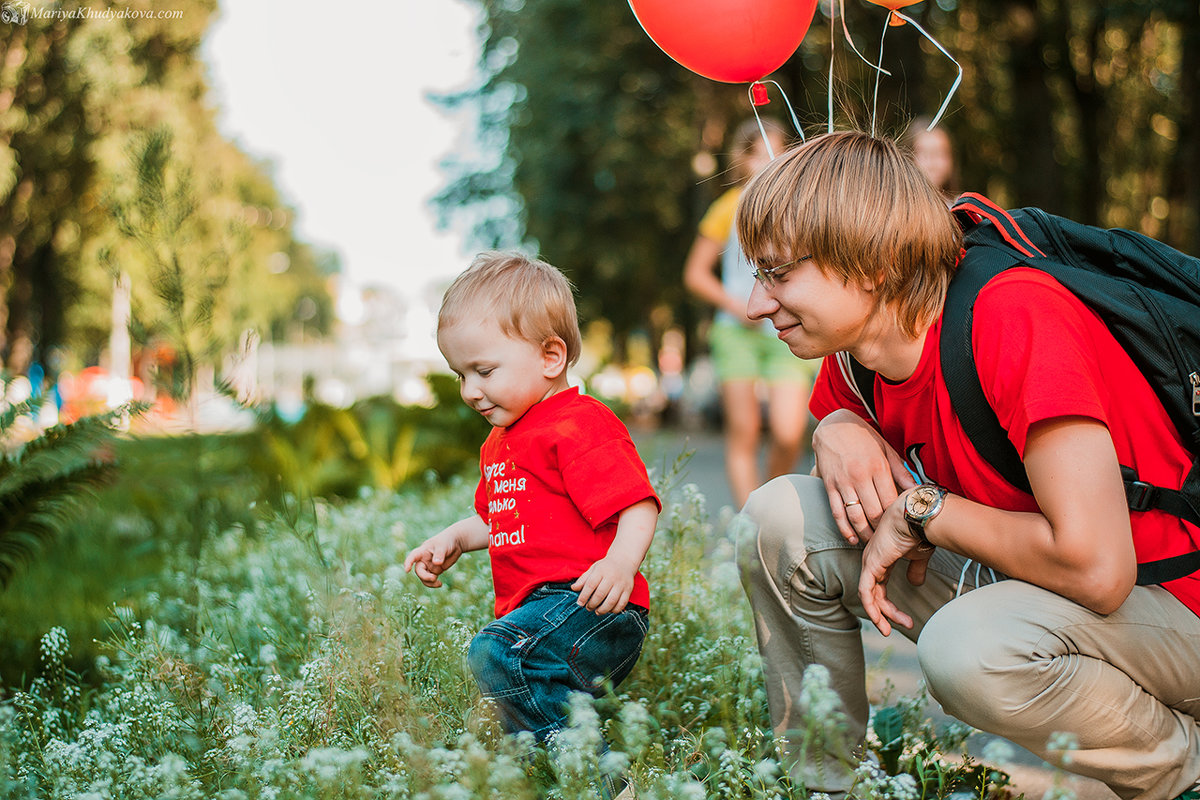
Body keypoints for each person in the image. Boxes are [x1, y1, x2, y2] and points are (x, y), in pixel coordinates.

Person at [732, 131, 1200, 799]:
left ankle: (1186, 773)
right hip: (1052, 593)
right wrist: (835, 426)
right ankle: (829, 785)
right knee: (777, 520)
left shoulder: (1013, 315)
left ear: (871, 263)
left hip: (1177, 603)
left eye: (778, 273)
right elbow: (835, 419)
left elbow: (1098, 570)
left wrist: (926, 513)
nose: (755, 304)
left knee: (968, 650)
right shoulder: (858, 354)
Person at [404, 252, 660, 793]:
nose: (470, 390)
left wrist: (619, 563)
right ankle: (569, 779)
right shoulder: (500, 441)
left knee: (497, 654)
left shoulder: (577, 423)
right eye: (460, 374)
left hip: (592, 603)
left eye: (484, 371)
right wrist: (454, 537)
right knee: (518, 706)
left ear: (550, 356)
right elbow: (498, 518)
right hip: (546, 610)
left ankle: (601, 782)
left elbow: (636, 503)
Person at [683, 118, 819, 508]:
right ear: (743, 160)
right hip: (736, 333)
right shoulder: (727, 209)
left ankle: (768, 509)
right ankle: (750, 522)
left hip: (785, 330)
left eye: (775, 152)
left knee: (789, 432)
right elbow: (695, 274)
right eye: (758, 153)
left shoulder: (798, 210)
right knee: (743, 431)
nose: (766, 161)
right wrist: (736, 306)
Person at [904, 115, 958, 205]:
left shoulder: (961, 211)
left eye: (940, 153)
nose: (933, 163)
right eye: (925, 154)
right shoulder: (899, 208)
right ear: (909, 157)